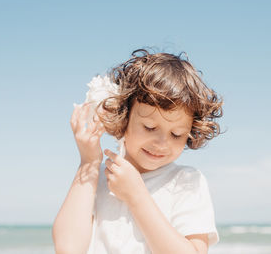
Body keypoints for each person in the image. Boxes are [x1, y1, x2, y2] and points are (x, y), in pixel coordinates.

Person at [52, 48, 223, 254]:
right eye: (150, 128)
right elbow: (67, 249)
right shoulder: (96, 179)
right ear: (124, 117)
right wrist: (88, 164)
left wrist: (137, 196)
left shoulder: (185, 182)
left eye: (176, 134)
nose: (162, 143)